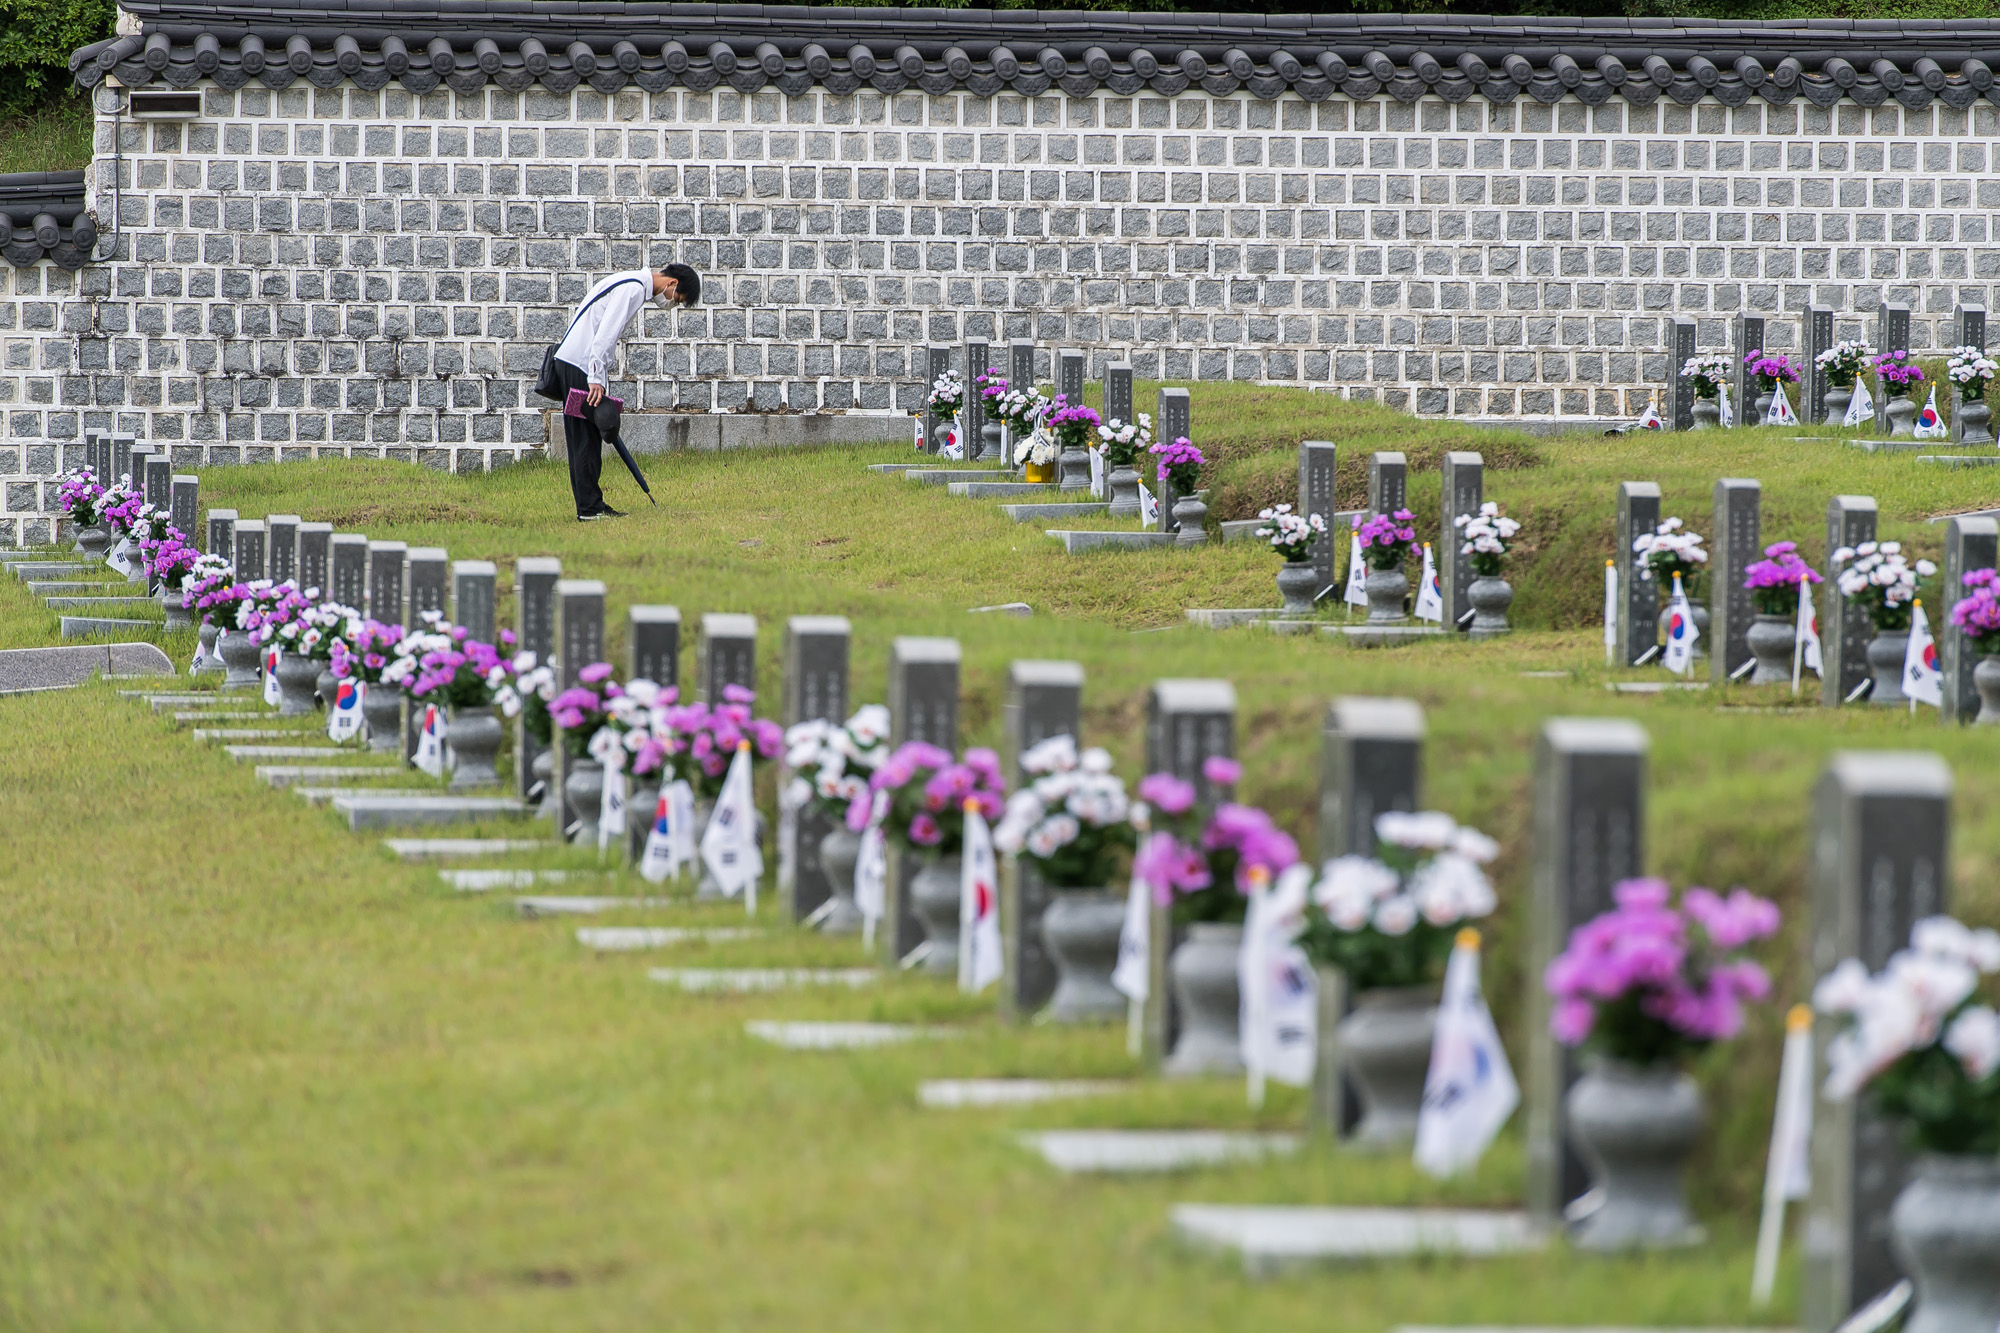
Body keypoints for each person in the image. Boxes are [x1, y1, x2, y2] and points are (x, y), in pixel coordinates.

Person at [549, 264, 701, 521]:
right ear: (672, 284)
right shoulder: (633, 288)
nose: (671, 304)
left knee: (584, 438)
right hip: (581, 364)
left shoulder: (629, 282)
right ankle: (590, 510)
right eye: (677, 300)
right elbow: (605, 334)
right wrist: (595, 376)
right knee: (586, 438)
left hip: (574, 360)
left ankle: (590, 506)